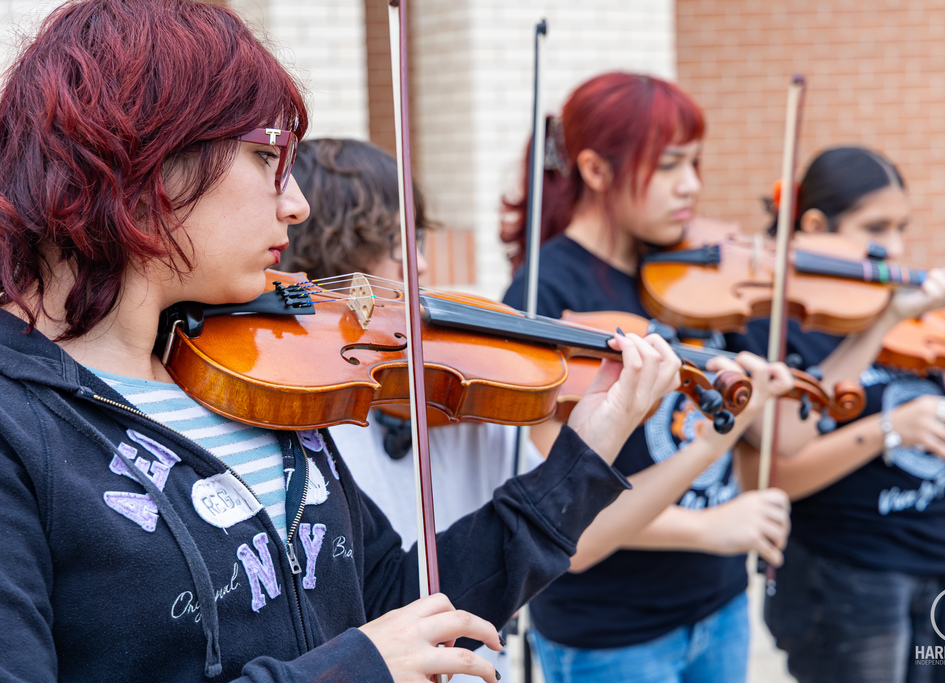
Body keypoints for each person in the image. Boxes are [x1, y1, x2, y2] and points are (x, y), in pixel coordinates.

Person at [0, 4, 686, 682]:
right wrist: (359, 666)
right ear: (149, 157)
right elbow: (371, 651)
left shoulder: (253, 373)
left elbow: (397, 601)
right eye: (267, 154)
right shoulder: (18, 427)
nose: (294, 202)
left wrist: (584, 455)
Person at [500, 71, 796, 683]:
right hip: (612, 633)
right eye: (668, 167)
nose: (691, 186)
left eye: (695, 164)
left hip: (718, 602)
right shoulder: (546, 293)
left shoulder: (698, 275)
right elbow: (566, 515)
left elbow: (769, 427)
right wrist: (712, 526)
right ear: (596, 170)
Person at [738, 146, 945, 682]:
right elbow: (774, 471)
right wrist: (889, 428)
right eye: (877, 228)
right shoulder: (773, 323)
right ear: (815, 225)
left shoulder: (909, 319)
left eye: (902, 228)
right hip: (848, 576)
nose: (895, 248)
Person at [279, 137, 548, 682]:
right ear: (339, 259)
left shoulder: (446, 387)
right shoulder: (295, 415)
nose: (421, 263)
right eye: (399, 244)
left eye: (418, 238)